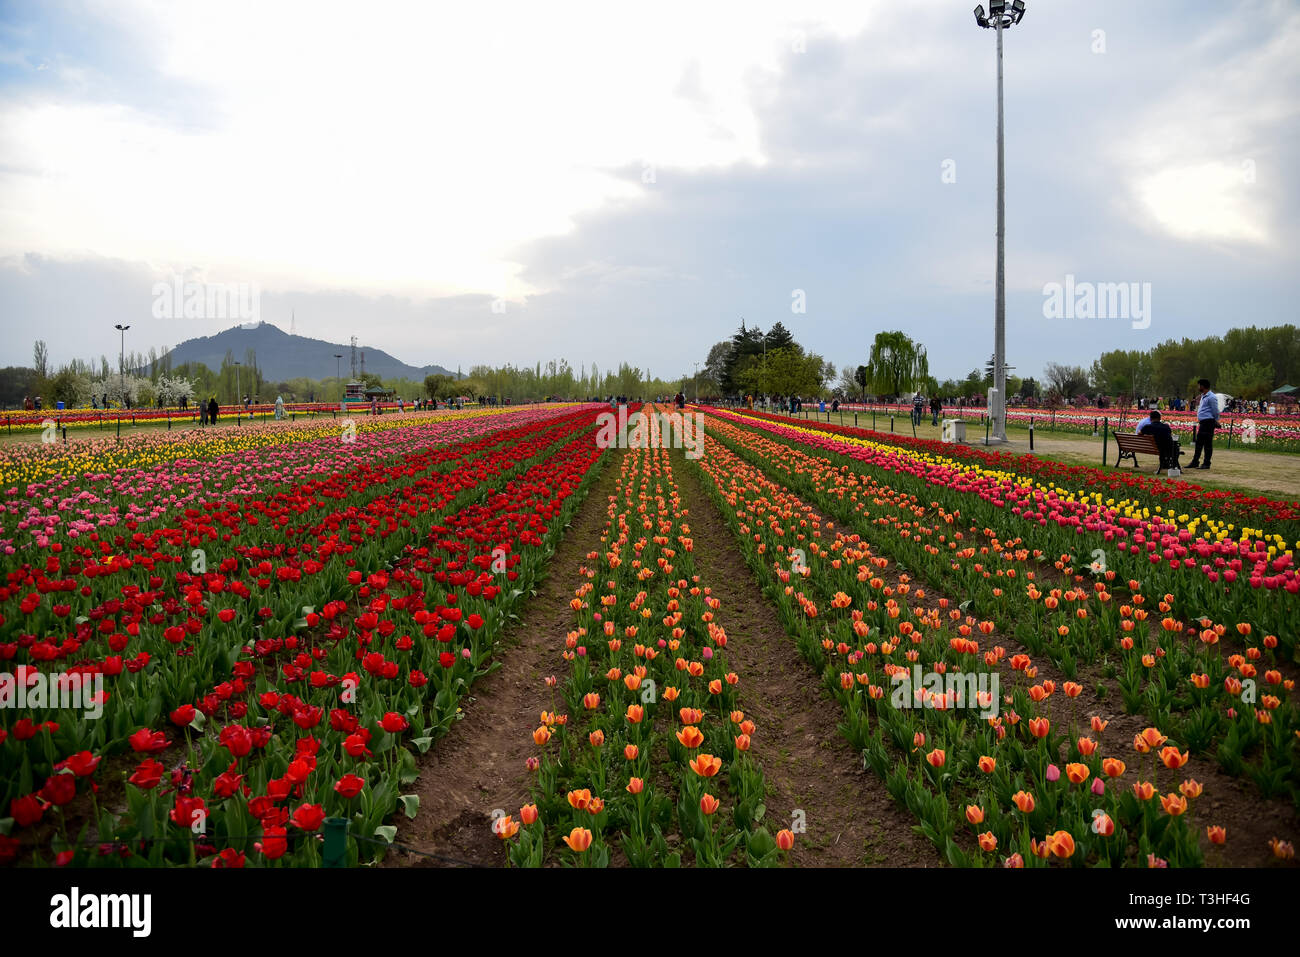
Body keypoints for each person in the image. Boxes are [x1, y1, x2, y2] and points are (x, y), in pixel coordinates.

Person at [1187, 378, 1218, 470]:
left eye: (1199, 385)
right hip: (1203, 422)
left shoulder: (1211, 397)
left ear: (1203, 386)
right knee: (1199, 443)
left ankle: (1206, 463)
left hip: (1208, 422)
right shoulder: (1204, 396)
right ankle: (1195, 461)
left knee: (1207, 443)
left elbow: (1215, 410)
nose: (1198, 387)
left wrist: (1216, 420)